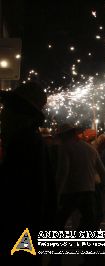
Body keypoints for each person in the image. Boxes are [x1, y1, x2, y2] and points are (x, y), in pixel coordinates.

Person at [0, 82, 57, 265]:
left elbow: (29, 198)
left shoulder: (26, 144)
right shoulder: (27, 142)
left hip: (21, 232)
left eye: (7, 110)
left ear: (21, 115)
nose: (2, 115)